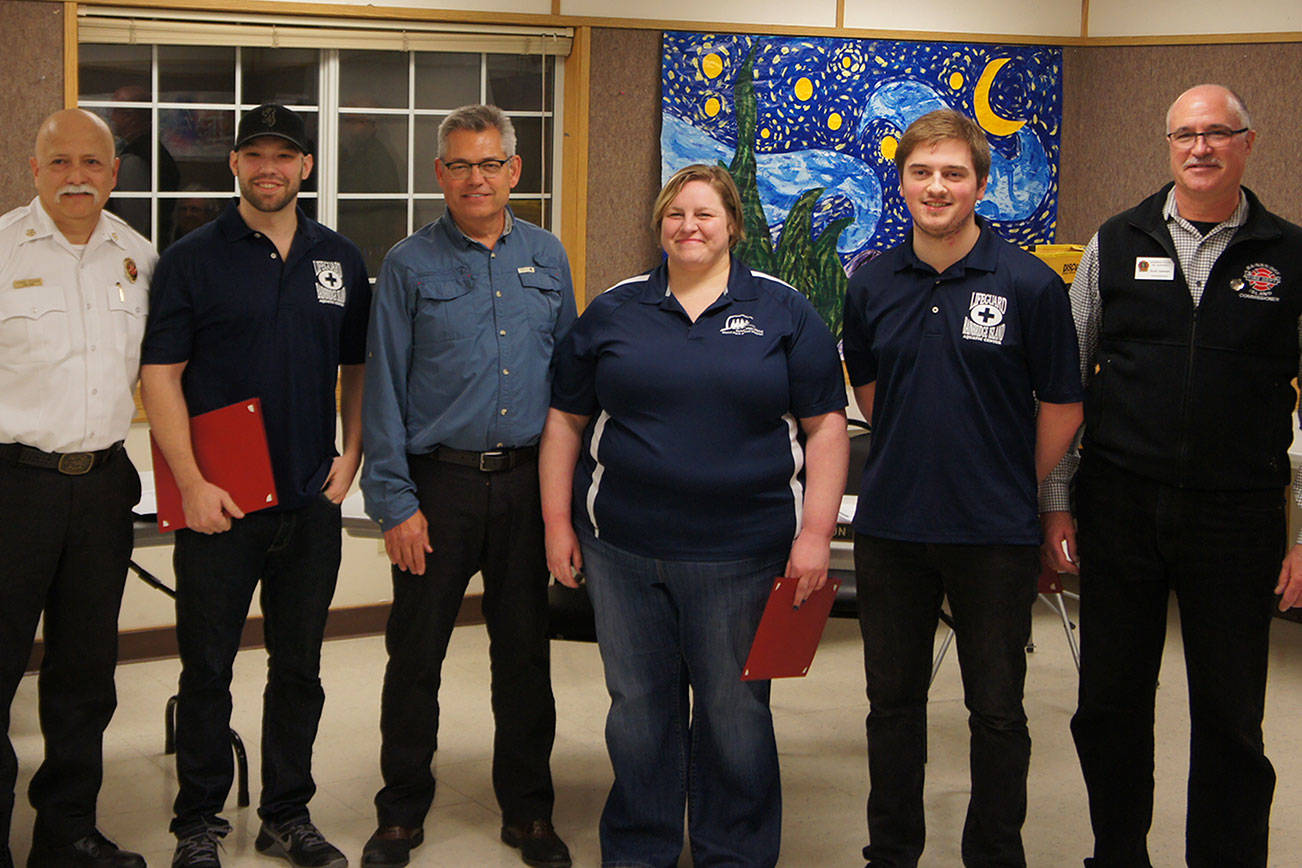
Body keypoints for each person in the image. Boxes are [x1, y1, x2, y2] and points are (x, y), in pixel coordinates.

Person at [539, 163, 849, 868]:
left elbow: (826, 428)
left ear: (733, 225)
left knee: (734, 717)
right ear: (659, 225)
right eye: (676, 215)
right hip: (622, 552)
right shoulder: (615, 310)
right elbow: (565, 421)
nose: (689, 227)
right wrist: (558, 523)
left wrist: (815, 535)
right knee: (638, 712)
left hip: (742, 555)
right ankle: (640, 848)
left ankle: (732, 851)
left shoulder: (783, 311)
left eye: (705, 214)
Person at [1040, 84, 1302, 867]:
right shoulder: (1115, 241)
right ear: (1168, 145)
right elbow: (1066, 382)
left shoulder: (1290, 255)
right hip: (1119, 508)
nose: (1200, 147)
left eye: (1217, 132)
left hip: (1238, 517)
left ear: (1248, 143)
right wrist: (1055, 502)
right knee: (1109, 705)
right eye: (1185, 134)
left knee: (1231, 716)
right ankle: (1117, 853)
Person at [841, 109, 1083, 866]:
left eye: (953, 173)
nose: (936, 187)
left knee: (998, 710)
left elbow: (1064, 405)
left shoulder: (1030, 284)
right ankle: (892, 851)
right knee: (892, 706)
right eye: (921, 172)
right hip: (893, 530)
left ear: (980, 184)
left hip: (993, 533)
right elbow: (871, 391)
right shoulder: (871, 283)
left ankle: (995, 853)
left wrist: (1009, 476)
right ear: (902, 181)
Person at [139, 104, 369, 868]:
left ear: (306, 167)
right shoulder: (192, 259)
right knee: (207, 670)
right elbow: (160, 376)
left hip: (310, 502)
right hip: (221, 507)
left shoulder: (339, 258)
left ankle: (286, 815)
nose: (270, 168)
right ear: (234, 163)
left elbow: (358, 366)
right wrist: (190, 483)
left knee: (299, 670)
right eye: (256, 154)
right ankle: (197, 823)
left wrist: (353, 452)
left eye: (285, 155)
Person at [360, 104, 576, 868]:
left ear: (514, 170)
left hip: (525, 488)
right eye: (459, 165)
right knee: (415, 659)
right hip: (438, 489)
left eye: (489, 164)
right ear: (439, 173)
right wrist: (395, 503)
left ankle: (529, 812)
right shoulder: (408, 265)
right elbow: (382, 391)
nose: (475, 178)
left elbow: (571, 393)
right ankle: (399, 814)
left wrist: (566, 506)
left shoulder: (548, 257)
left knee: (524, 659)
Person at [0, 108, 155, 868]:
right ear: (35, 170)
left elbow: (164, 378)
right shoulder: (2, 249)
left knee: (85, 674)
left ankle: (66, 834)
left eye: (92, 163)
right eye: (59, 162)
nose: (76, 177)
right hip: (12, 488)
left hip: (101, 490)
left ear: (114, 173)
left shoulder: (139, 257)